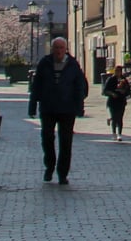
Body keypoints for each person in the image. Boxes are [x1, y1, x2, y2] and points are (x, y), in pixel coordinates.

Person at [29, 36, 88, 184]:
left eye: (61, 48)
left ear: (65, 49)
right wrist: (32, 105)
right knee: (47, 138)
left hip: (67, 108)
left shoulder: (73, 65)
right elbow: (36, 86)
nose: (59, 51)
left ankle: (62, 173)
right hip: (48, 107)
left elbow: (80, 87)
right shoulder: (45, 63)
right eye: (56, 48)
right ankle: (49, 166)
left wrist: (79, 106)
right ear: (52, 49)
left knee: (66, 142)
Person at [103, 66, 131, 141]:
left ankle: (119, 134)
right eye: (116, 71)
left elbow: (128, 90)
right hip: (112, 101)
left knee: (120, 118)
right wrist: (112, 94)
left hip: (121, 101)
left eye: (119, 71)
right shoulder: (111, 79)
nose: (117, 72)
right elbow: (105, 91)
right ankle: (114, 133)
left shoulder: (124, 80)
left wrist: (124, 92)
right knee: (114, 117)